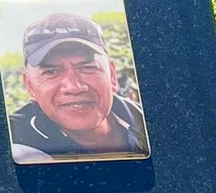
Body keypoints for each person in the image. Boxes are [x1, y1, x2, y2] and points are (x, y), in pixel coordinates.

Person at [8, 12, 148, 163]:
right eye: (52, 72)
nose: (74, 87)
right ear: (30, 86)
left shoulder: (144, 118)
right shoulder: (14, 143)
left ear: (112, 76)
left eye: (87, 67)